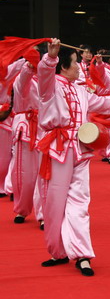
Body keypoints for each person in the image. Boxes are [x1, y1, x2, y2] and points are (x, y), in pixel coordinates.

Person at [37, 39, 110, 276]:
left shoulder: (79, 89)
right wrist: (51, 57)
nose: (79, 67)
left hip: (80, 150)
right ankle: (58, 251)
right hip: (57, 150)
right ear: (63, 66)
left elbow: (99, 102)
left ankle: (82, 255)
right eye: (76, 63)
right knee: (55, 202)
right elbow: (45, 73)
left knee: (80, 202)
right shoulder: (49, 86)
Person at [10, 57, 44, 227]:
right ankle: (22, 209)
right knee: (24, 176)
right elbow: (22, 83)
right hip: (26, 130)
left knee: (44, 175)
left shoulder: (48, 78)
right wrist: (28, 68)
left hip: (46, 129)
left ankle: (43, 214)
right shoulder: (23, 78)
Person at [0, 58, 26, 198]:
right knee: (6, 154)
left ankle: (8, 184)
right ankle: (7, 184)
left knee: (11, 153)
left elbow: (17, 66)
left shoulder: (7, 71)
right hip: (6, 116)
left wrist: (25, 54)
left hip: (10, 115)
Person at [91, 50, 110, 165]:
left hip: (109, 99)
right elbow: (100, 71)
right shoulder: (105, 70)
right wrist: (99, 63)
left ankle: (106, 152)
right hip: (107, 100)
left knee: (105, 126)